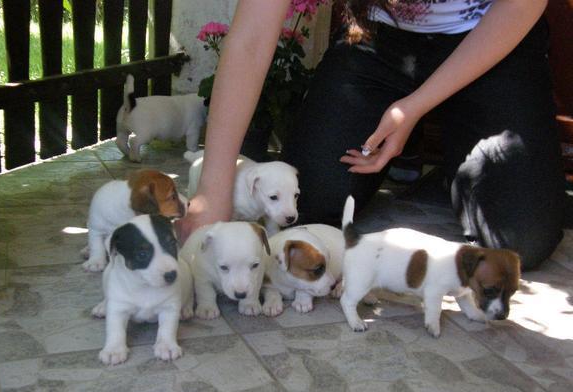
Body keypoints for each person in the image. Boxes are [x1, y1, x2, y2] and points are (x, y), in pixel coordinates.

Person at [177, 0, 564, 270]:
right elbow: (250, 39)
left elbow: (522, 4)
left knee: (522, 240)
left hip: (490, 43)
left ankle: (453, 162)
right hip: (377, 40)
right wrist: (212, 191)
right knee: (304, 205)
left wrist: (412, 108)